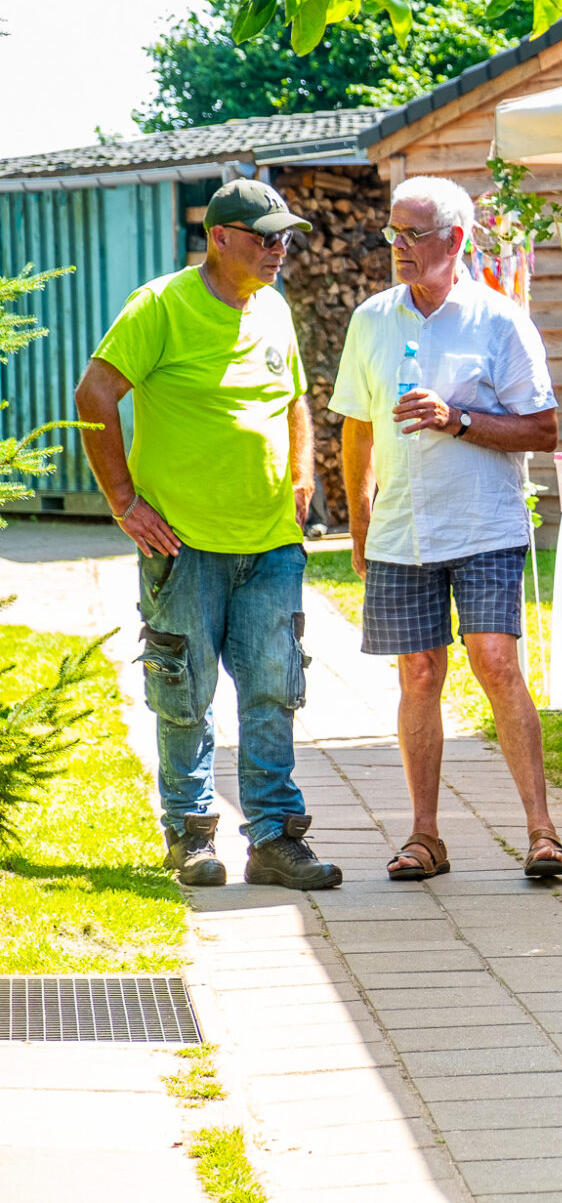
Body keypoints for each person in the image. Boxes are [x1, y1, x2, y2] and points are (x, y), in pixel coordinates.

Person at [72, 179, 342, 891]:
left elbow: (295, 401)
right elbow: (94, 393)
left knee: (274, 690)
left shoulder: (274, 307)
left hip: (271, 541)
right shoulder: (161, 305)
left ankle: (276, 839)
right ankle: (191, 834)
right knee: (184, 691)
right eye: (264, 237)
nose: (278, 249)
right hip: (183, 544)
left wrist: (303, 474)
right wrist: (124, 501)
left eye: (284, 236)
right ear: (218, 237)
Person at [332, 177, 562, 881]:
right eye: (391, 233)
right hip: (403, 530)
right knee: (419, 673)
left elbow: (544, 428)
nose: (397, 247)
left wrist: (457, 417)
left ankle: (543, 831)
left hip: (485, 524)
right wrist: (360, 522)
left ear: (456, 240)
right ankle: (426, 837)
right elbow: (355, 429)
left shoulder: (500, 320)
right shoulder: (371, 319)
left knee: (494, 659)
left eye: (413, 234)